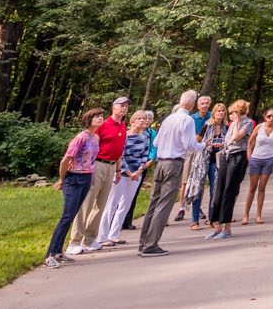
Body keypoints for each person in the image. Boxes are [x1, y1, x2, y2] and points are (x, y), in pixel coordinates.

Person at [138, 89, 199, 256]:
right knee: (164, 205)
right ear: (192, 104)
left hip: (160, 164)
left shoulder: (168, 119)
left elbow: (156, 141)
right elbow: (189, 145)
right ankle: (151, 245)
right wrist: (203, 145)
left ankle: (143, 243)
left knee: (153, 203)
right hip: (174, 163)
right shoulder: (187, 120)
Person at [67, 95, 129, 257]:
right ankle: (75, 240)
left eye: (126, 106)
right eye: (120, 105)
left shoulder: (122, 126)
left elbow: (119, 151)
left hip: (111, 166)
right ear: (113, 108)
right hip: (98, 164)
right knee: (87, 203)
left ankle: (89, 239)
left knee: (101, 205)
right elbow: (91, 143)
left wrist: (117, 170)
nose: (123, 108)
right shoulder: (104, 124)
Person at [45, 109, 103, 269]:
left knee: (71, 217)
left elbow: (91, 161)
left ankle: (58, 252)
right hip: (73, 179)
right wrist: (62, 179)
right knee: (66, 217)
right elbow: (65, 160)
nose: (100, 118)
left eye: (101, 116)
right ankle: (49, 255)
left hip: (86, 178)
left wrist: (90, 178)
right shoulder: (80, 138)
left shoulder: (96, 137)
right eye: (96, 116)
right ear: (88, 120)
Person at [95, 109, 155, 248]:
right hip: (122, 173)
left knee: (125, 205)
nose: (143, 121)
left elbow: (145, 155)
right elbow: (120, 155)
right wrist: (128, 172)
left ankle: (114, 234)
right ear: (132, 121)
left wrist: (139, 171)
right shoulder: (125, 136)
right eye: (139, 118)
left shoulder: (145, 137)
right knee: (112, 204)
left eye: (144, 119)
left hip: (136, 174)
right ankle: (102, 236)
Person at [207, 99, 253, 239]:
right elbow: (227, 141)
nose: (231, 115)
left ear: (240, 112)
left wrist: (238, 123)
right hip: (226, 156)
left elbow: (236, 138)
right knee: (219, 191)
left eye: (234, 112)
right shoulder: (232, 124)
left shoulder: (248, 123)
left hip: (238, 157)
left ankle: (227, 228)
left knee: (229, 191)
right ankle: (217, 227)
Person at [188, 102, 227, 229]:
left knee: (215, 190)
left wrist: (223, 145)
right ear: (214, 113)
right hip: (203, 160)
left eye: (222, 111)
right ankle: (194, 220)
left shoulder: (225, 127)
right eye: (218, 111)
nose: (220, 113)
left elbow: (228, 142)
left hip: (217, 161)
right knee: (198, 189)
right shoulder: (207, 125)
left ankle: (212, 218)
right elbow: (197, 141)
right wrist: (207, 143)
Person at [243, 105, 273, 225]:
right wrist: (249, 157)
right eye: (269, 116)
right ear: (265, 117)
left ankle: (258, 215)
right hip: (256, 158)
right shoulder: (259, 127)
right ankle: (246, 215)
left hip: (269, 159)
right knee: (252, 188)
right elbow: (250, 142)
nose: (271, 118)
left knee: (262, 188)